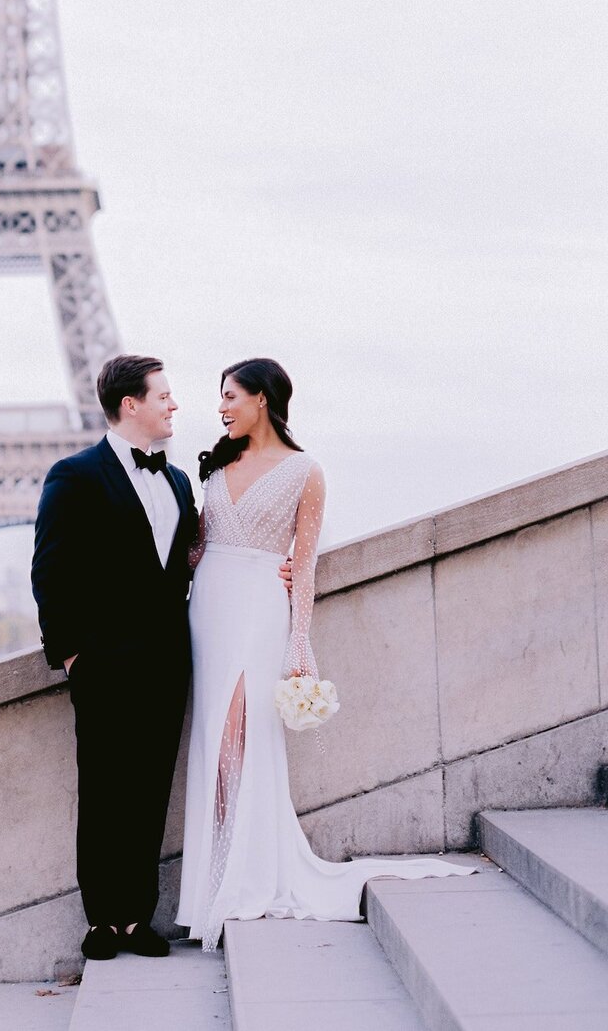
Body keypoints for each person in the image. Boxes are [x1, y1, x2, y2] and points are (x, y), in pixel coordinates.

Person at [177, 357, 473, 949]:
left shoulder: (306, 471)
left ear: (262, 399)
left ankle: (238, 878)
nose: (222, 408)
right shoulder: (218, 462)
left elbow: (305, 567)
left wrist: (298, 642)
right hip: (208, 606)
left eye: (230, 396)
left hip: (261, 608)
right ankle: (213, 884)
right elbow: (199, 546)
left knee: (237, 735)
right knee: (212, 738)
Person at [31, 354, 294, 960]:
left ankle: (136, 919)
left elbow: (200, 558)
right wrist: (71, 655)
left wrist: (268, 568)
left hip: (168, 661)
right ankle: (102, 920)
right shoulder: (73, 476)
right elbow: (51, 571)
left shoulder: (179, 481)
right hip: (101, 662)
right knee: (102, 790)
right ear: (132, 405)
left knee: (151, 790)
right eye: (165, 396)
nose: (175, 406)